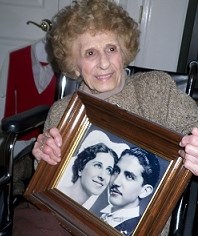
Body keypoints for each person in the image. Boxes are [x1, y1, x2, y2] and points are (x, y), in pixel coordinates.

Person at [13, 0, 198, 235]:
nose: (103, 63)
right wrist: (44, 156)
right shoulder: (64, 112)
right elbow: (51, 186)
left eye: (111, 49)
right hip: (67, 223)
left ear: (124, 50)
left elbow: (193, 124)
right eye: (90, 53)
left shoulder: (155, 89)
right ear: (74, 64)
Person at [100, 147, 160, 236]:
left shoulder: (136, 230)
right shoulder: (100, 215)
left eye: (129, 176)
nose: (116, 182)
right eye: (116, 171)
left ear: (145, 191)